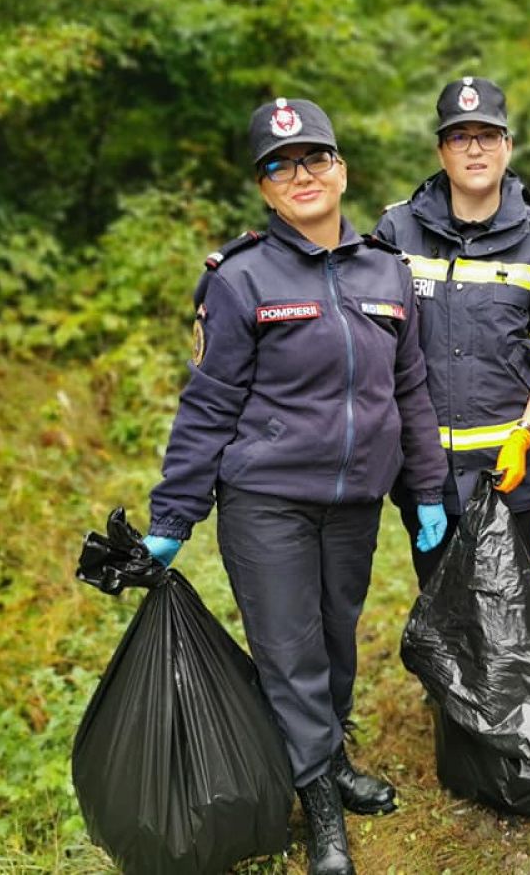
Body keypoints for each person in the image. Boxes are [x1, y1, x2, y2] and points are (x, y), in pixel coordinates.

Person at [141, 97, 448, 875]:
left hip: (355, 502)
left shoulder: (387, 270)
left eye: (315, 158)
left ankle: (331, 756)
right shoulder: (240, 279)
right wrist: (172, 518)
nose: (302, 175)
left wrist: (428, 488)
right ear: (264, 189)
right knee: (288, 650)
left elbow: (410, 389)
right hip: (266, 501)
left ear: (341, 170)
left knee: (337, 638)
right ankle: (319, 807)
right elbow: (208, 407)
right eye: (281, 166)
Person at [374, 76, 530, 587]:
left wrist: (525, 432)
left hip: (508, 473)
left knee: (507, 619)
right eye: (459, 137)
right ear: (441, 151)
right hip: (425, 476)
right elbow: (376, 349)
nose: (474, 150)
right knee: (442, 617)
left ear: (507, 146)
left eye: (487, 136)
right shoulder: (395, 233)